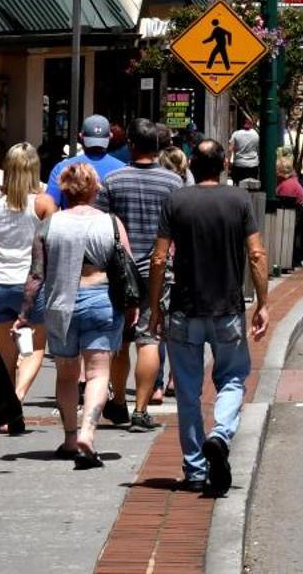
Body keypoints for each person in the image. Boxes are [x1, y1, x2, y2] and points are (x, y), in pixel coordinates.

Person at [150, 138, 268, 497]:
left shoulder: (176, 201)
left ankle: (196, 470)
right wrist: (263, 302)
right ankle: (220, 433)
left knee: (187, 392)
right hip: (227, 307)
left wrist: (154, 305)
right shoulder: (239, 200)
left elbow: (158, 258)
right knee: (232, 378)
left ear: (190, 166)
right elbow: (257, 255)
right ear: (224, 164)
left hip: (185, 307)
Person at [24, 163, 134, 468]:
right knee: (99, 372)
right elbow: (126, 266)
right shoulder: (111, 223)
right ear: (94, 188)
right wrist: (132, 306)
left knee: (67, 374)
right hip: (100, 298)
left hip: (61, 303)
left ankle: (70, 437)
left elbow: (36, 275)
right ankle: (89, 431)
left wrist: (25, 312)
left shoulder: (50, 224)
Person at [102, 122, 182, 431]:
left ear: (132, 145)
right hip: (157, 271)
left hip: (119, 273)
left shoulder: (112, 181)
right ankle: (141, 409)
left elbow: (102, 226)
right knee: (149, 337)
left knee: (120, 341)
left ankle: (119, 401)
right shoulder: (173, 182)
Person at [0, 142, 56, 420]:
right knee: (36, 346)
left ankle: (6, 401)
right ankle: (16, 398)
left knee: (6, 348)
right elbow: (52, 246)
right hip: (32, 284)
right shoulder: (43, 203)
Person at [45, 114, 127, 207]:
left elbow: (49, 208)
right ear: (110, 136)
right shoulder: (123, 169)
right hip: (110, 221)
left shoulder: (63, 168)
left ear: (81, 136)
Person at [227, 120, 260, 186]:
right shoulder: (256, 134)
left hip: (239, 165)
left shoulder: (236, 134)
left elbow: (230, 149)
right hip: (253, 165)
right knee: (252, 187)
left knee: (237, 187)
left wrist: (229, 162)